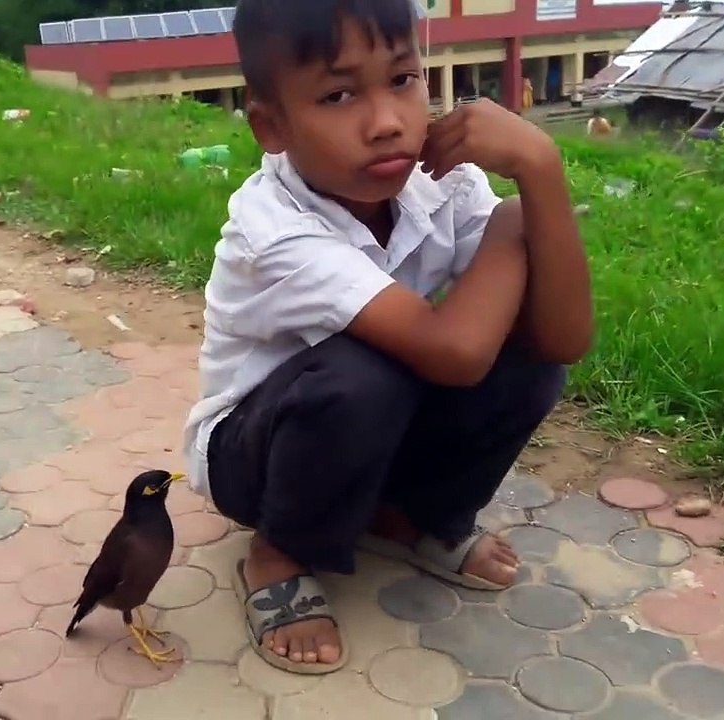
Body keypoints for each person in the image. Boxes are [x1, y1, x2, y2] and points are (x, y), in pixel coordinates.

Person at [181, 0, 592, 675]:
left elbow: (564, 340)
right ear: (270, 126)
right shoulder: (273, 228)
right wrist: (516, 226)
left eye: (402, 80)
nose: (386, 123)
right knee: (363, 374)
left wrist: (539, 173)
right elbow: (453, 354)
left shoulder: (443, 181)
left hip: (367, 426)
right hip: (253, 456)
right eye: (339, 95)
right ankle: (280, 550)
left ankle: (410, 516)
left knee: (529, 363)